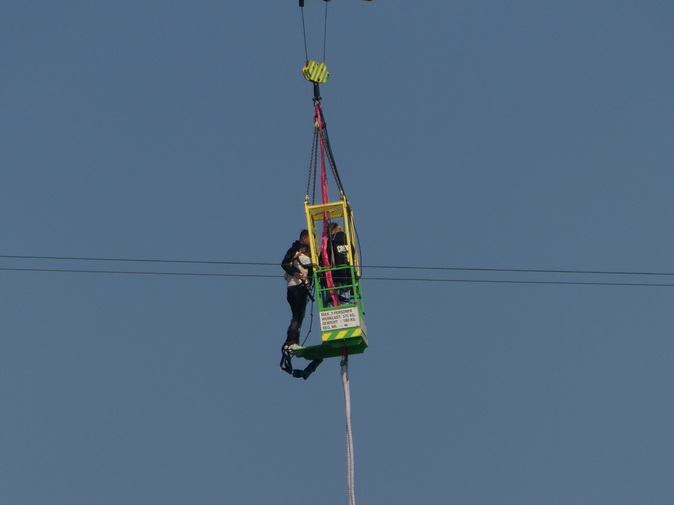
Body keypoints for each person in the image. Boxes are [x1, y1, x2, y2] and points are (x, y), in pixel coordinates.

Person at [281, 231, 312, 351]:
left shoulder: (294, 255)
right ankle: (291, 341)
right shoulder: (301, 255)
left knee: (296, 315)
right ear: (304, 238)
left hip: (291, 288)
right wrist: (296, 273)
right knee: (299, 315)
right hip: (299, 287)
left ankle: (292, 341)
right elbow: (285, 264)